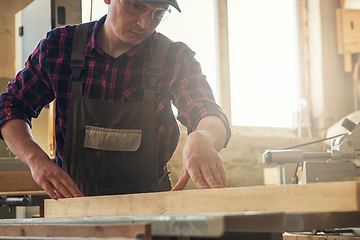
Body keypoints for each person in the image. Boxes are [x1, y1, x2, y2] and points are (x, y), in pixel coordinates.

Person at [0, 0, 231, 199]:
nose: (144, 24)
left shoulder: (174, 57)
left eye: (158, 13)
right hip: (75, 210)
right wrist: (36, 160)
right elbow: (10, 105)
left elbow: (208, 112)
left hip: (152, 212)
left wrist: (204, 137)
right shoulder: (60, 47)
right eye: (135, 5)